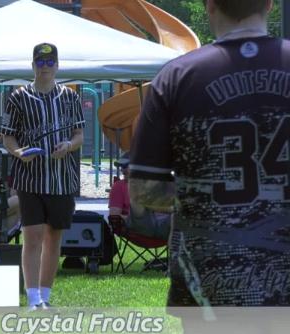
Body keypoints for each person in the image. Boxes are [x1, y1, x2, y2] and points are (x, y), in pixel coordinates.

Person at [129, 0, 290, 307]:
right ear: (270, 4)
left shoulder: (177, 76)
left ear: (210, 5)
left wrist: (205, 194)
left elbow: (144, 189)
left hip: (210, 279)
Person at [1, 42, 84, 310]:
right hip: (30, 178)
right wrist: (19, 152)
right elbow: (8, 137)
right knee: (33, 235)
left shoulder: (70, 97)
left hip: (61, 179)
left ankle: (45, 296)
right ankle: (33, 298)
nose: (45, 67)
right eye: (40, 62)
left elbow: (79, 135)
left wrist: (68, 146)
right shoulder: (18, 97)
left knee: (53, 236)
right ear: (33, 65)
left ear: (57, 66)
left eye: (50, 62)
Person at [108, 153, 170, 240]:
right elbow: (114, 216)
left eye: (125, 166)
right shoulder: (119, 186)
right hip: (139, 227)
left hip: (165, 225)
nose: (122, 170)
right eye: (121, 167)